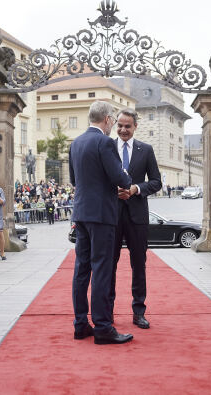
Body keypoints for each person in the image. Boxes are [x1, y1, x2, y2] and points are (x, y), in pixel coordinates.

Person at [69, 101, 133, 345]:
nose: (113, 125)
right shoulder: (105, 142)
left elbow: (75, 180)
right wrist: (125, 176)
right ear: (107, 119)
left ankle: (80, 324)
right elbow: (120, 179)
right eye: (114, 121)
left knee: (81, 270)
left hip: (81, 213)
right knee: (102, 270)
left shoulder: (76, 143)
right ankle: (103, 327)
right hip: (102, 216)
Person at [112, 109, 162, 330]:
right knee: (107, 266)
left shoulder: (146, 150)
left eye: (127, 126)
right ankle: (107, 310)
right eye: (120, 125)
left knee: (138, 265)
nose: (123, 130)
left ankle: (138, 311)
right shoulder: (107, 147)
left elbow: (156, 182)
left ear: (135, 126)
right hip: (111, 216)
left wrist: (136, 188)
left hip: (137, 217)